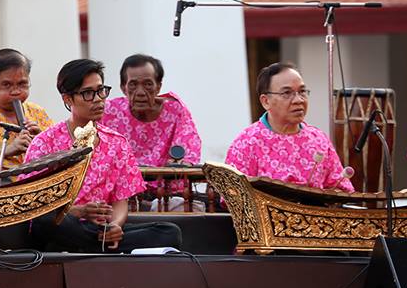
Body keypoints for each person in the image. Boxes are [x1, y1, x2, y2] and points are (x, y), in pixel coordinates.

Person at [25, 59, 183, 253]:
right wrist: (78, 211)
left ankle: (96, 245)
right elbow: (32, 203)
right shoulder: (45, 142)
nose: (98, 99)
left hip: (98, 230)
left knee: (170, 232)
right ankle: (98, 247)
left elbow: (120, 201)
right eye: (88, 93)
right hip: (65, 225)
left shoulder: (117, 143)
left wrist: (115, 226)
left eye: (101, 91)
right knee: (45, 221)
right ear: (67, 99)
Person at [226, 62, 354, 192]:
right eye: (287, 93)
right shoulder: (247, 142)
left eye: (302, 91)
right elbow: (232, 194)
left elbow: (341, 189)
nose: (299, 100)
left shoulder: (319, 140)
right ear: (266, 101)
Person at [101, 54, 202, 209]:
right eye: (133, 85)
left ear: (158, 87)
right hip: (120, 196)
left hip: (166, 195)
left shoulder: (175, 111)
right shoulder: (109, 112)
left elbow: (187, 155)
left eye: (148, 84)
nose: (140, 92)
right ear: (123, 87)